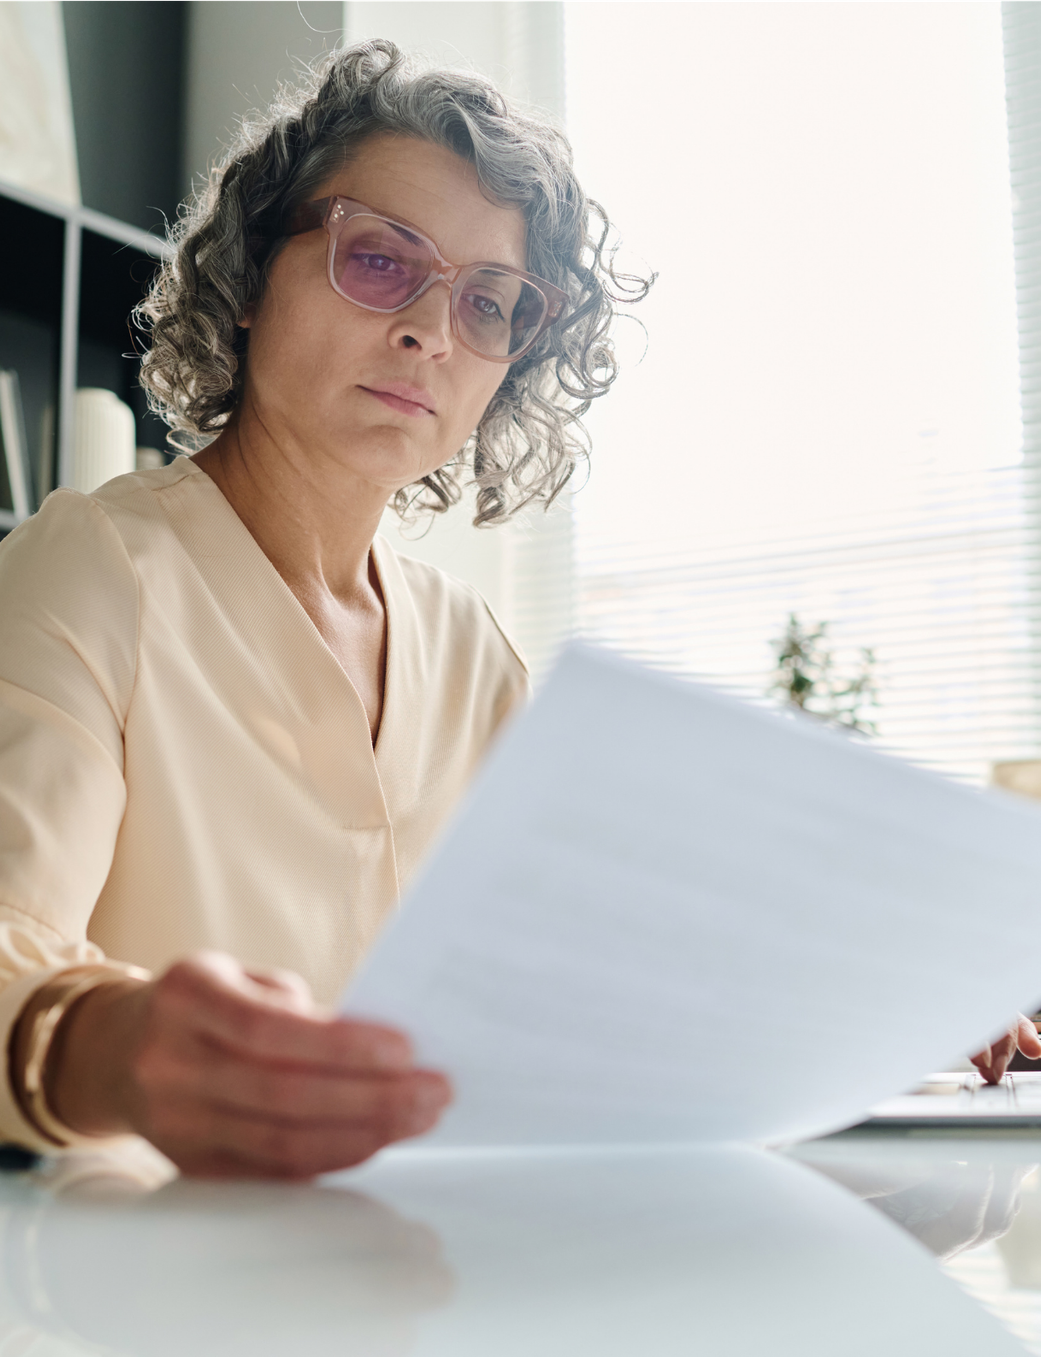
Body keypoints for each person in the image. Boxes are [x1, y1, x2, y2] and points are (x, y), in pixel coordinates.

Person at [0, 40, 643, 1177]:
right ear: (252, 277)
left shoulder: (474, 655)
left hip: (423, 1276)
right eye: (383, 262)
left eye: (490, 303)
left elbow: (569, 989)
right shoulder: (93, 569)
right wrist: (113, 1045)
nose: (432, 333)